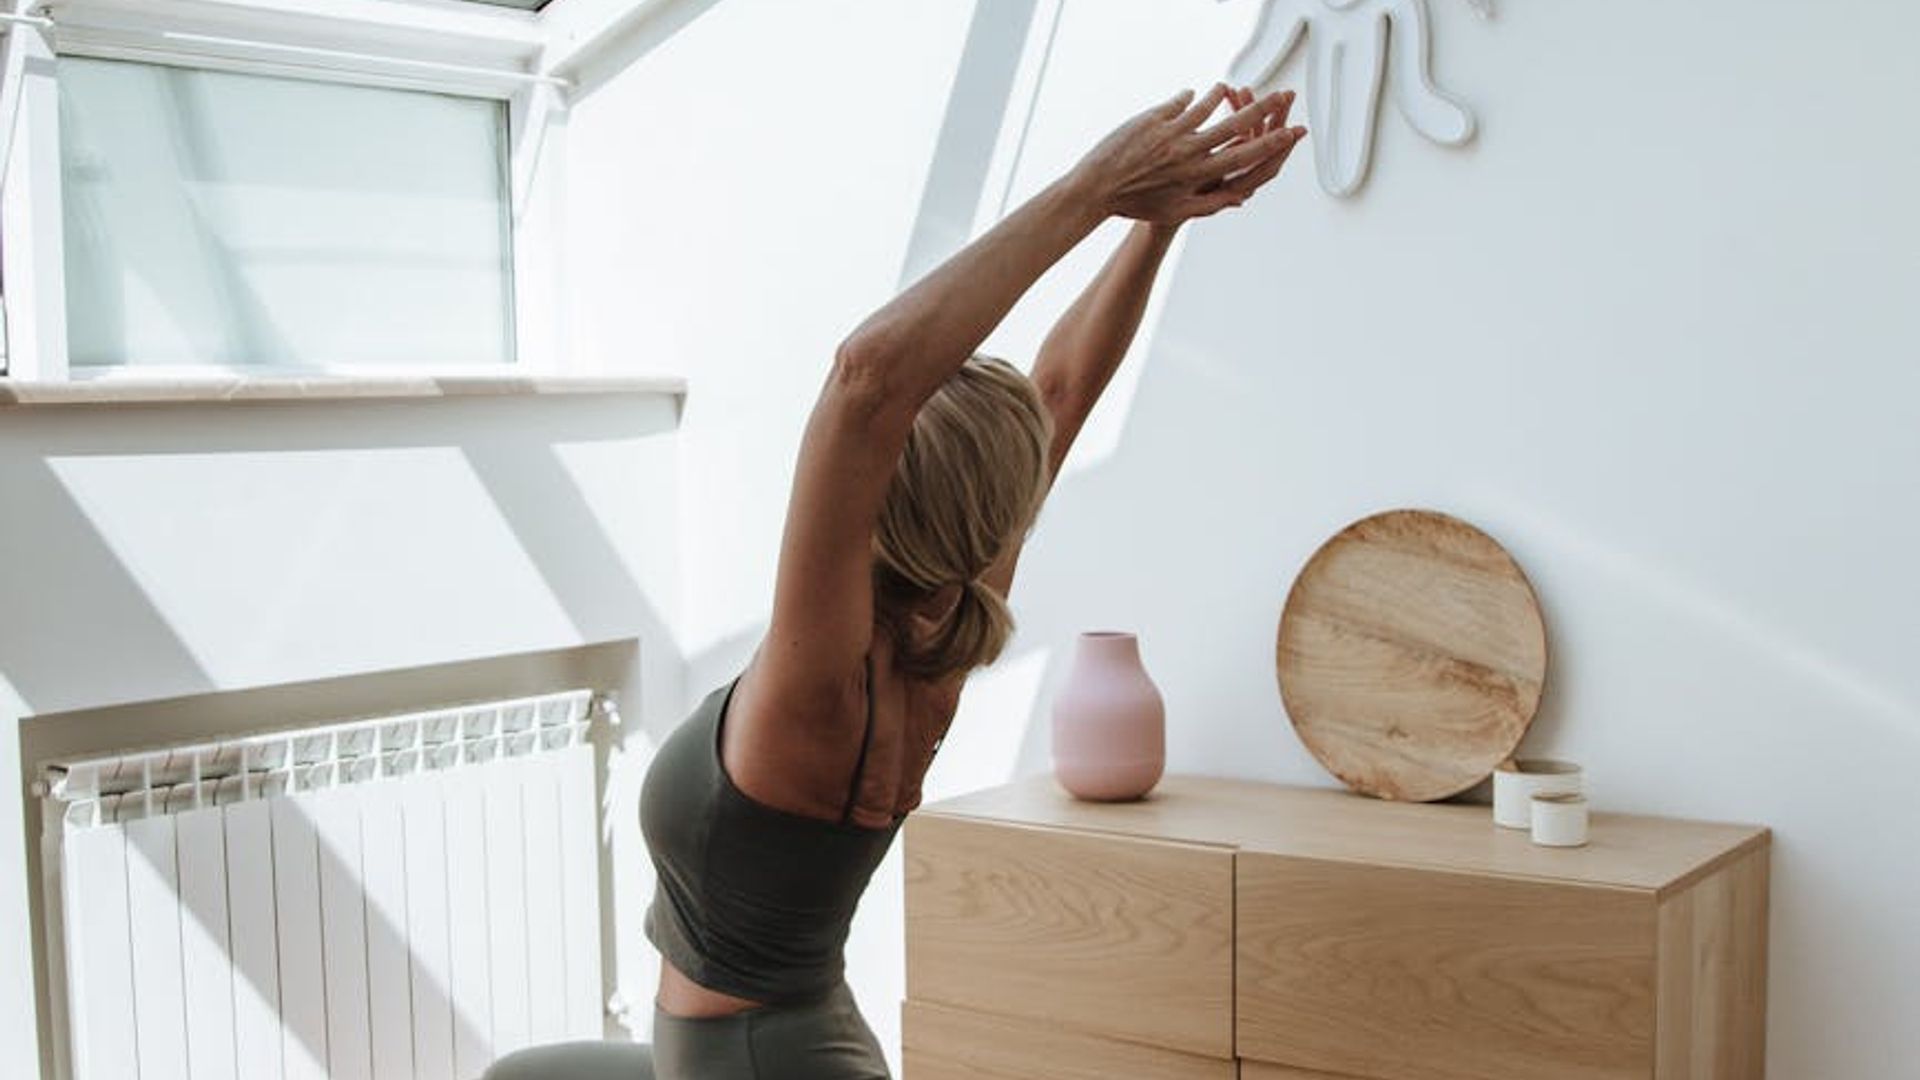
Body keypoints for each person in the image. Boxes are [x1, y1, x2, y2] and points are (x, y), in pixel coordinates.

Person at [485, 83, 1305, 1080]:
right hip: (788, 1041)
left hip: (752, 1064)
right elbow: (1058, 391)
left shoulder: (822, 679)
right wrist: (1156, 225)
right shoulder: (940, 629)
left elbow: (868, 378)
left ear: (884, 484)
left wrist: (1094, 190)